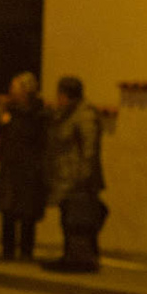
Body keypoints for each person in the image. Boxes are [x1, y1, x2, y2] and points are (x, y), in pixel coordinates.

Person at [43, 75, 106, 273]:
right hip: (66, 177)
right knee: (69, 220)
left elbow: (89, 149)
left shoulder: (84, 114)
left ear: (67, 95)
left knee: (79, 221)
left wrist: (84, 177)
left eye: (60, 94)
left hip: (78, 180)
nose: (57, 98)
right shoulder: (66, 113)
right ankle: (71, 257)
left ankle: (81, 260)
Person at [0, 72, 47, 261]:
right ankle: (7, 250)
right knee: (8, 210)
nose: (10, 91)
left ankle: (26, 251)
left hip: (30, 168)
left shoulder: (38, 113)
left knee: (27, 212)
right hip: (10, 165)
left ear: (25, 91)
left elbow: (41, 140)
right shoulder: (9, 110)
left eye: (14, 87)